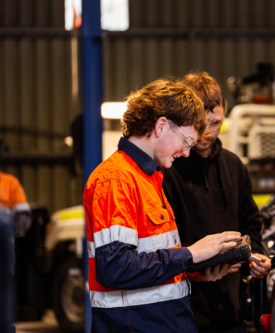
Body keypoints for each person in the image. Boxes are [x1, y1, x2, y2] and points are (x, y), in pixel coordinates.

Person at [83, 78, 242, 333]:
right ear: (161, 126)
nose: (186, 153)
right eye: (186, 142)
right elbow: (115, 268)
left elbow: (149, 260)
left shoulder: (149, 178)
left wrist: (190, 270)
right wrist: (191, 254)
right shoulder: (117, 180)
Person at [163, 72, 272, 332]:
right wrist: (196, 267)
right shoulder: (168, 169)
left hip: (232, 313)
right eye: (201, 123)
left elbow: (250, 223)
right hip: (184, 315)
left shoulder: (234, 166)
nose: (208, 132)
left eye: (216, 123)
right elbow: (163, 242)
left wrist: (257, 254)